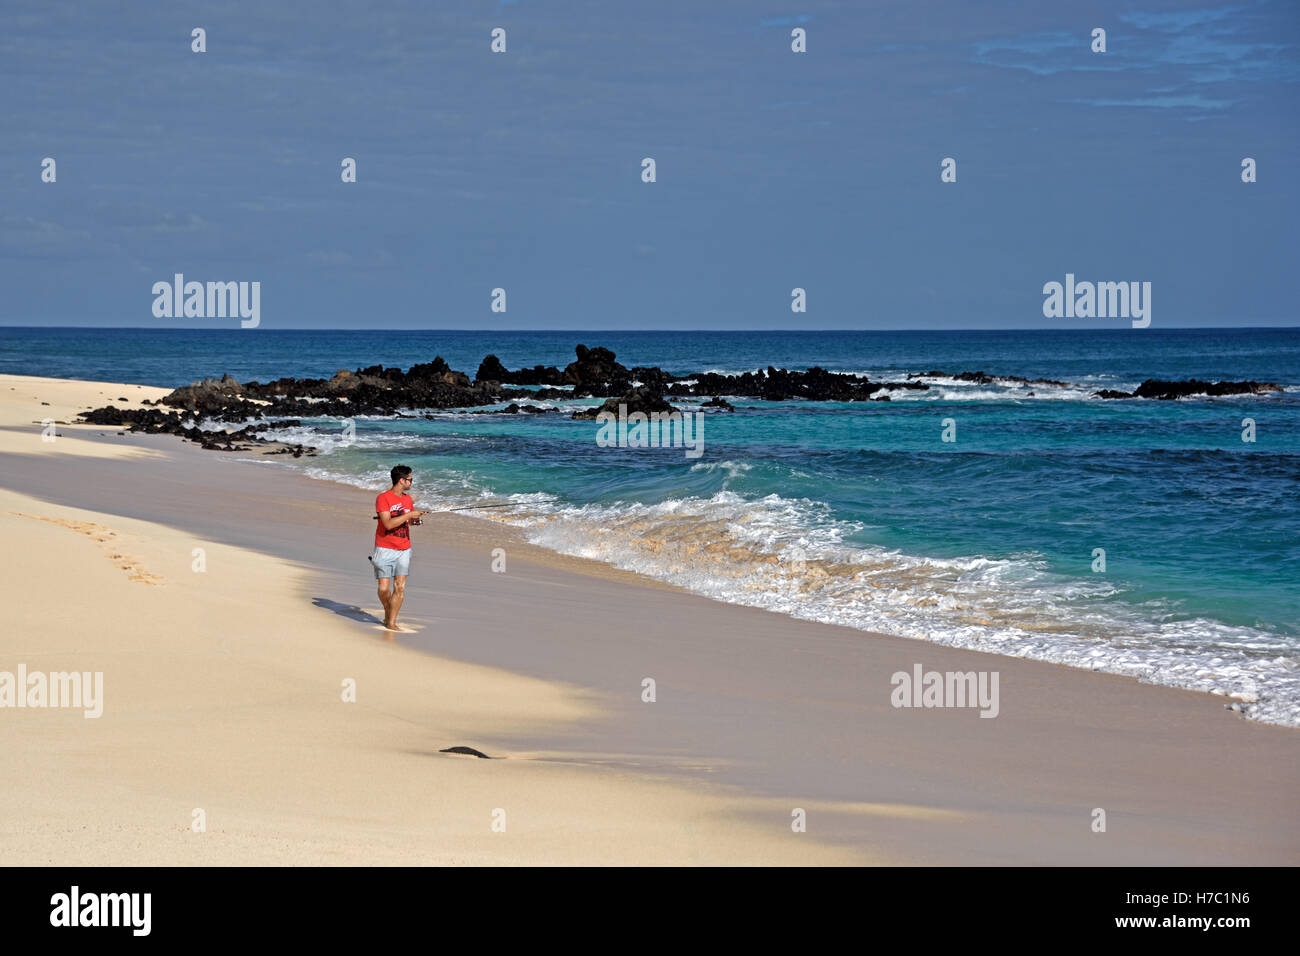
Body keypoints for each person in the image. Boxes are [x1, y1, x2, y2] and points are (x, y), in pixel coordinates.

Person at [372, 465, 425, 631]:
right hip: (384, 547)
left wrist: (414, 519)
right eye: (410, 479)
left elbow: (406, 521)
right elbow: (387, 524)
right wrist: (409, 515)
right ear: (401, 480)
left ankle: (391, 622)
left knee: (400, 587)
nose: (411, 482)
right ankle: (388, 611)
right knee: (383, 589)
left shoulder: (408, 499)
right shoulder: (383, 498)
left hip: (404, 548)